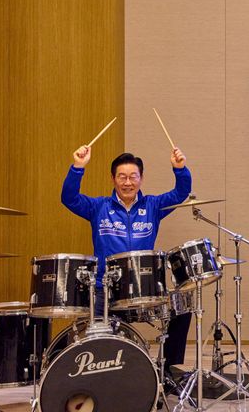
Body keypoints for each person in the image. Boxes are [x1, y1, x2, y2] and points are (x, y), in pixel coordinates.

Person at [61, 145, 193, 374]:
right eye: (122, 177)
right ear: (113, 179)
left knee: (182, 309)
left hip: (144, 287)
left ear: (141, 178)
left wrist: (180, 169)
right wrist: (77, 167)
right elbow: (69, 198)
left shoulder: (153, 206)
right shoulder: (98, 207)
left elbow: (181, 193)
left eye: (133, 176)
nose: (128, 182)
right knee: (101, 342)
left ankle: (166, 370)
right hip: (104, 289)